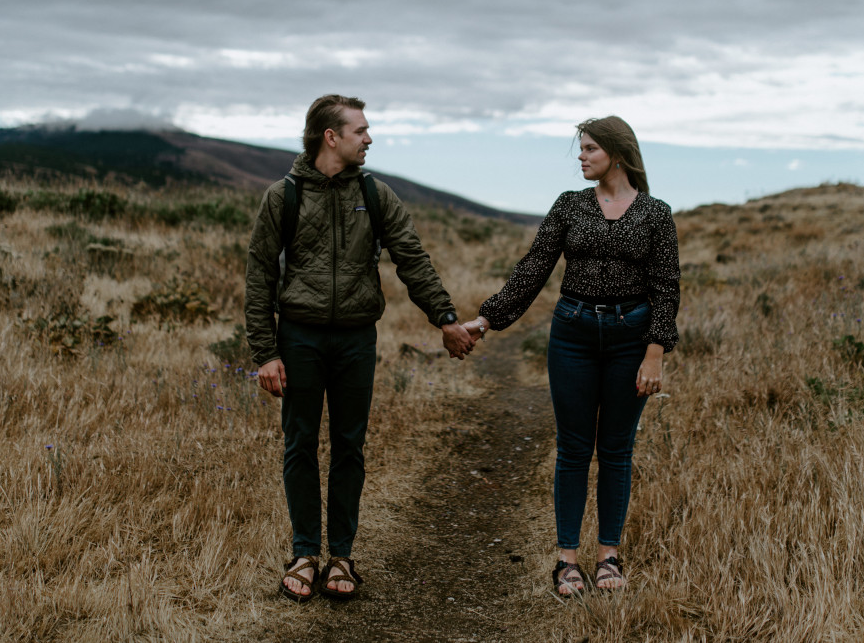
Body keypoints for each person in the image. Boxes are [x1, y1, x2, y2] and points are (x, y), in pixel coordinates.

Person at [245, 94, 475, 603]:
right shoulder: (282, 197)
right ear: (332, 137)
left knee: (350, 445)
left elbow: (411, 258)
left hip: (355, 339)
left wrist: (446, 319)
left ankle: (341, 556)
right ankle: (305, 553)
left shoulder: (375, 194)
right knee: (300, 444)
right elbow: (259, 277)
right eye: (360, 131)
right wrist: (266, 353)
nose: (369, 138)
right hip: (299, 338)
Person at [465, 116, 679, 596]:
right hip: (573, 336)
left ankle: (609, 559)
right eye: (579, 149)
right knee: (574, 449)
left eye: (588, 149)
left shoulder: (656, 214)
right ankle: (567, 562)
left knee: (616, 451)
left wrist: (655, 353)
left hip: (630, 339)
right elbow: (534, 267)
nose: (580, 156)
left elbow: (666, 288)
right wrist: (487, 319)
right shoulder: (569, 205)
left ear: (617, 154)